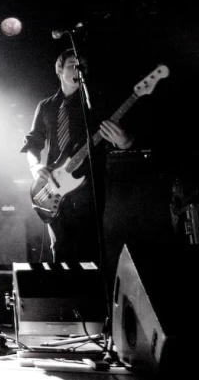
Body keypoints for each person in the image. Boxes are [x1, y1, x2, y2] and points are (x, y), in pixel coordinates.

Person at [21, 49, 134, 263]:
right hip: (54, 187)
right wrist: (35, 167)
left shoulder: (96, 105)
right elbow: (32, 144)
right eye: (73, 64)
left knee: (90, 251)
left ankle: (91, 295)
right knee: (60, 250)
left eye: (83, 66)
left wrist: (124, 140)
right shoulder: (46, 106)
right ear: (59, 70)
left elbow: (124, 141)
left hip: (89, 187)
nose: (79, 69)